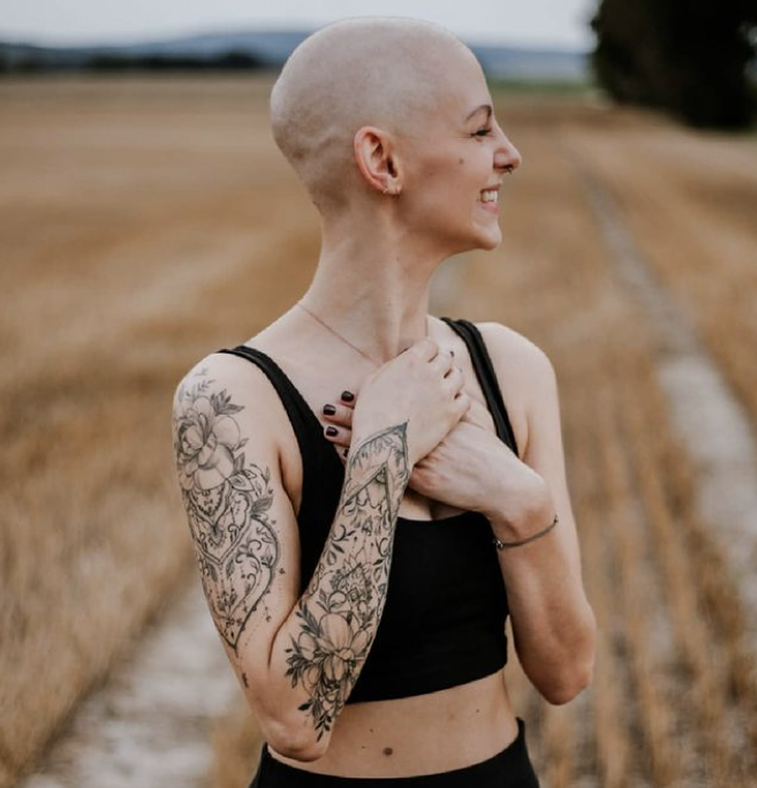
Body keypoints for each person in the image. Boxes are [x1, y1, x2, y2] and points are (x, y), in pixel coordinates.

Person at [171, 16, 596, 787]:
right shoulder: (233, 399)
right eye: (479, 129)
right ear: (382, 160)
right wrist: (381, 454)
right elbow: (294, 721)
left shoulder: (512, 369)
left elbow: (565, 674)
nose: (508, 153)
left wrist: (517, 499)